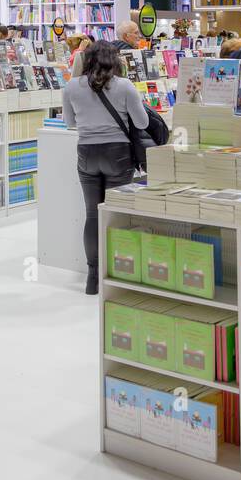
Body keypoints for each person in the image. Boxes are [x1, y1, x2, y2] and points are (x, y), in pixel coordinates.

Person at [62, 41, 150, 296]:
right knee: (114, 214)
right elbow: (141, 122)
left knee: (92, 215)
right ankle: (115, 274)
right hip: (118, 155)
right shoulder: (124, 86)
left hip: (87, 154)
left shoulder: (71, 86)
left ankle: (92, 277)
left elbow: (69, 122)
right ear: (115, 61)